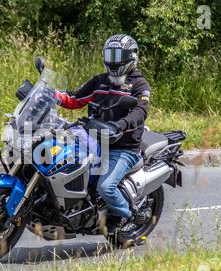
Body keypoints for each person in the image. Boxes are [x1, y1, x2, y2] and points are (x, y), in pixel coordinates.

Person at [55, 34, 151, 235]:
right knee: (59, 165)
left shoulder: (139, 85)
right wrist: (50, 94)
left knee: (106, 187)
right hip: (92, 140)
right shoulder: (100, 81)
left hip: (122, 147)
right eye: (110, 54)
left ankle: (130, 215)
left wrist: (119, 125)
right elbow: (74, 98)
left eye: (117, 55)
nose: (113, 60)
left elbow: (139, 112)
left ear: (131, 56)